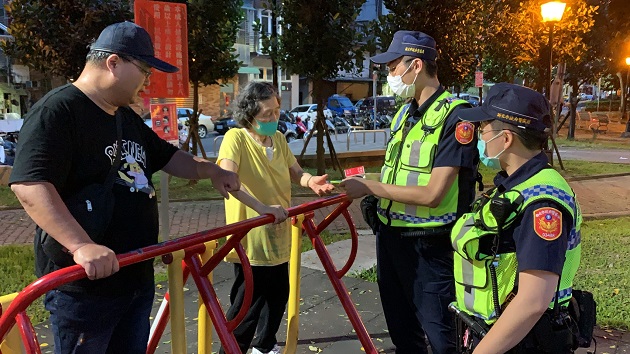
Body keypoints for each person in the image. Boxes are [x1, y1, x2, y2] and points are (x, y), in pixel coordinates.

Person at [9, 21, 240, 354]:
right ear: (113, 63)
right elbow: (30, 185)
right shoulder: (57, 112)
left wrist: (211, 171)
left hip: (134, 277)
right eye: (144, 71)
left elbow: (167, 156)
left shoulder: (123, 116)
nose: (148, 82)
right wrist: (81, 245)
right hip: (86, 289)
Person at [340, 31, 479, 354]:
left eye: (391, 68)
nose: (389, 76)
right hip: (391, 240)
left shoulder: (456, 117)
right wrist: (360, 184)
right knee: (403, 334)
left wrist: (369, 187)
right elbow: (397, 173)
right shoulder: (405, 114)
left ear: (415, 65)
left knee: (442, 339)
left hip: (430, 245)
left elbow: (433, 193)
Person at [450, 83, 582, 353]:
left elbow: (533, 301)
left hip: (522, 342)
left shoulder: (542, 203)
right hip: (503, 337)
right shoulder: (516, 185)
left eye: (484, 127)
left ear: (506, 139)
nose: (480, 135)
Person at [217, 81, 334, 354]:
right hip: (251, 236)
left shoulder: (278, 139)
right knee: (248, 302)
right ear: (249, 114)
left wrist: (311, 182)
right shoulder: (236, 139)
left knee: (279, 294)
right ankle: (231, 350)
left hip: (278, 230)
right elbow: (229, 180)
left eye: (277, 111)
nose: (274, 118)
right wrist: (261, 207)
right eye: (266, 114)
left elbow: (296, 172)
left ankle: (264, 345)